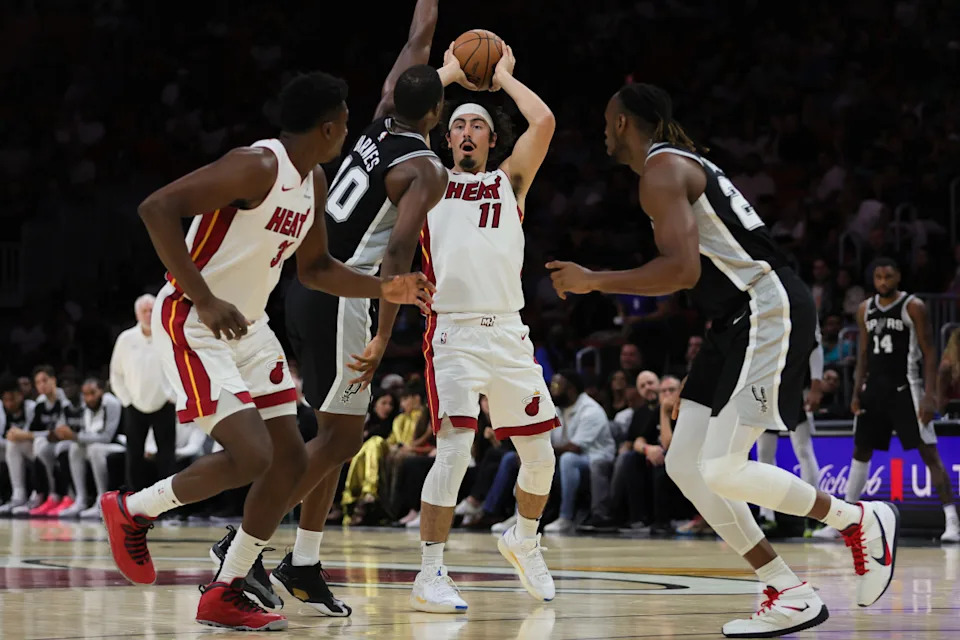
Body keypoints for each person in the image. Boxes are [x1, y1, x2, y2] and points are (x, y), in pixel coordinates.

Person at [546, 83, 899, 637]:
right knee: (687, 463)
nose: (601, 130)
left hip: (763, 306)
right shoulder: (676, 166)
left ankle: (858, 518)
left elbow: (681, 271)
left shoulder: (660, 172)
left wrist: (594, 281)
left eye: (605, 119)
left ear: (622, 123)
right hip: (730, 320)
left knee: (724, 467)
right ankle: (789, 589)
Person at [98, 71, 432, 633]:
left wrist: (384, 288)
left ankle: (225, 589)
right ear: (328, 126)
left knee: (294, 458)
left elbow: (317, 270)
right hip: (194, 320)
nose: (349, 131)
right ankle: (131, 510)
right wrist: (202, 298)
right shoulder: (257, 165)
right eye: (347, 122)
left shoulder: (316, 180)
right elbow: (157, 208)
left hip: (251, 329)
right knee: (252, 455)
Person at [244, 0, 455, 617]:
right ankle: (247, 545)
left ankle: (304, 561)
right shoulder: (425, 168)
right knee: (339, 439)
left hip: (306, 282)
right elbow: (397, 255)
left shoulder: (379, 119)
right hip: (346, 299)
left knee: (335, 435)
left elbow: (416, 40)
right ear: (438, 114)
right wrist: (384, 333)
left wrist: (428, 14)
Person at [406, 43, 561, 613]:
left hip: (510, 334)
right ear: (445, 139)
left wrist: (501, 77)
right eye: (457, 125)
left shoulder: (509, 182)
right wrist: (447, 74)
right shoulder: (429, 180)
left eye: (478, 125)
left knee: (542, 456)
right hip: (452, 334)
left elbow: (543, 121)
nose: (467, 131)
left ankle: (523, 537)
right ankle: (430, 573)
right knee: (453, 452)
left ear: (493, 139)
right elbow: (404, 117)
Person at [816, 259, 959, 543]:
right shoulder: (864, 309)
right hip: (874, 390)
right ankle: (843, 520)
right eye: (878, 277)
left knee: (929, 453)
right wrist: (856, 393)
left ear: (898, 277)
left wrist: (930, 396)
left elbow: (930, 352)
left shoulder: (913, 306)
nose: (883, 282)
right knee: (861, 451)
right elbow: (864, 354)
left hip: (907, 388)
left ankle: (952, 520)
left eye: (888, 276)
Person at [756, 324, 825, 536]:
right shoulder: (759, 305)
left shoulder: (800, 301)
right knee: (764, 454)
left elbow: (815, 346)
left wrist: (815, 385)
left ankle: (812, 515)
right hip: (767, 387)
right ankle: (766, 515)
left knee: (803, 450)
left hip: (795, 385)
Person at [110, 294, 177, 491]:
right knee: (134, 455)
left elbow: (178, 369)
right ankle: (133, 500)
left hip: (164, 402)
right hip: (134, 404)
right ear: (137, 314)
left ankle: (169, 502)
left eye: (151, 310)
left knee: (167, 455)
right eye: (144, 311)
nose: (148, 315)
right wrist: (127, 400)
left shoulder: (167, 336)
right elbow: (116, 373)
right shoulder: (126, 339)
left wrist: (172, 396)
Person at [544, 370, 615, 534]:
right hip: (567, 458)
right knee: (529, 458)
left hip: (595, 458)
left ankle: (566, 517)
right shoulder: (556, 409)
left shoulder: (591, 410)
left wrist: (544, 451)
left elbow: (574, 447)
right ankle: (522, 515)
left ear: (571, 389)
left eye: (556, 385)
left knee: (568, 459)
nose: (551, 389)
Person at [47, 378, 124, 518]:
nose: (89, 398)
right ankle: (80, 499)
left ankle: (102, 501)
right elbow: (88, 434)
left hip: (120, 445)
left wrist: (75, 436)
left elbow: (107, 437)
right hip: (100, 446)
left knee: (93, 448)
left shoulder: (111, 403)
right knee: (75, 448)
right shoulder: (88, 407)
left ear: (101, 391)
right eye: (86, 394)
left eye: (92, 393)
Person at [5, 366, 69, 516]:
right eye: (38, 382)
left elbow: (59, 433)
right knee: (14, 444)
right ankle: (19, 495)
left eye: (45, 380)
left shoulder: (63, 399)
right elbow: (34, 429)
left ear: (54, 380)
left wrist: (26, 435)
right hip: (45, 444)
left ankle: (55, 495)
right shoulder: (40, 402)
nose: (42, 385)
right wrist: (22, 434)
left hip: (62, 444)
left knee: (41, 445)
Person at [0, 376, 35, 513]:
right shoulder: (1, 410)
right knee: (11, 445)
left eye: (12, 399)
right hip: (9, 449)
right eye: (6, 400)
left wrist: (19, 436)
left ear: (20, 396)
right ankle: (15, 495)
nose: (9, 404)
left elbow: (34, 433)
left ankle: (20, 495)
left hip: (31, 448)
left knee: (14, 444)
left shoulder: (31, 407)